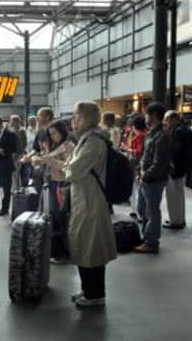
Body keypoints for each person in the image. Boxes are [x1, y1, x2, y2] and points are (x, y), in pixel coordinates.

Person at [63, 101, 116, 308]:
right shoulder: (86, 139)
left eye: (77, 115)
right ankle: (88, 289)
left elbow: (74, 171)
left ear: (87, 117)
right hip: (84, 200)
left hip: (91, 202)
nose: (73, 119)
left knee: (92, 248)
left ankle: (95, 294)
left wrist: (66, 168)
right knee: (83, 244)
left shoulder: (93, 142)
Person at [33, 119, 75, 263]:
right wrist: (40, 162)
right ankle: (56, 250)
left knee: (59, 218)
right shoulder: (56, 145)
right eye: (50, 134)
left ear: (62, 131)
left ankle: (62, 252)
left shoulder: (69, 146)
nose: (52, 136)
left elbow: (69, 167)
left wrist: (50, 161)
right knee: (51, 217)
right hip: (50, 183)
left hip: (60, 185)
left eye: (55, 133)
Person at [134, 102, 172, 254]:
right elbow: (145, 156)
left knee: (151, 211)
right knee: (142, 209)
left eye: (147, 114)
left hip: (153, 180)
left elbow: (159, 163)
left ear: (154, 115)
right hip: (146, 178)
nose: (145, 117)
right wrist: (139, 171)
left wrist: (144, 176)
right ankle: (146, 238)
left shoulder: (162, 136)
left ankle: (151, 242)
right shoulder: (152, 133)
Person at [163, 111, 191, 230]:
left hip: (176, 168)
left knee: (174, 196)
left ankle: (176, 222)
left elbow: (176, 150)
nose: (166, 122)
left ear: (174, 119)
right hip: (181, 168)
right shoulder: (183, 129)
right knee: (178, 195)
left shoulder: (178, 131)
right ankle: (179, 219)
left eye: (167, 120)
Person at [121, 115, 148, 218]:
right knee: (137, 188)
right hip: (139, 164)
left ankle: (137, 211)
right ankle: (137, 210)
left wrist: (126, 149)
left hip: (136, 164)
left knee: (135, 188)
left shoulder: (140, 135)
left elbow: (138, 152)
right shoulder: (143, 134)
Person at [9, 115, 28, 191]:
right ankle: (15, 188)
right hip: (13, 155)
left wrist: (17, 154)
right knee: (13, 174)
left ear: (16, 121)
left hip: (19, 155)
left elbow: (23, 144)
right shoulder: (11, 130)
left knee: (16, 173)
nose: (11, 122)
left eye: (12, 120)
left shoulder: (21, 131)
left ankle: (17, 189)